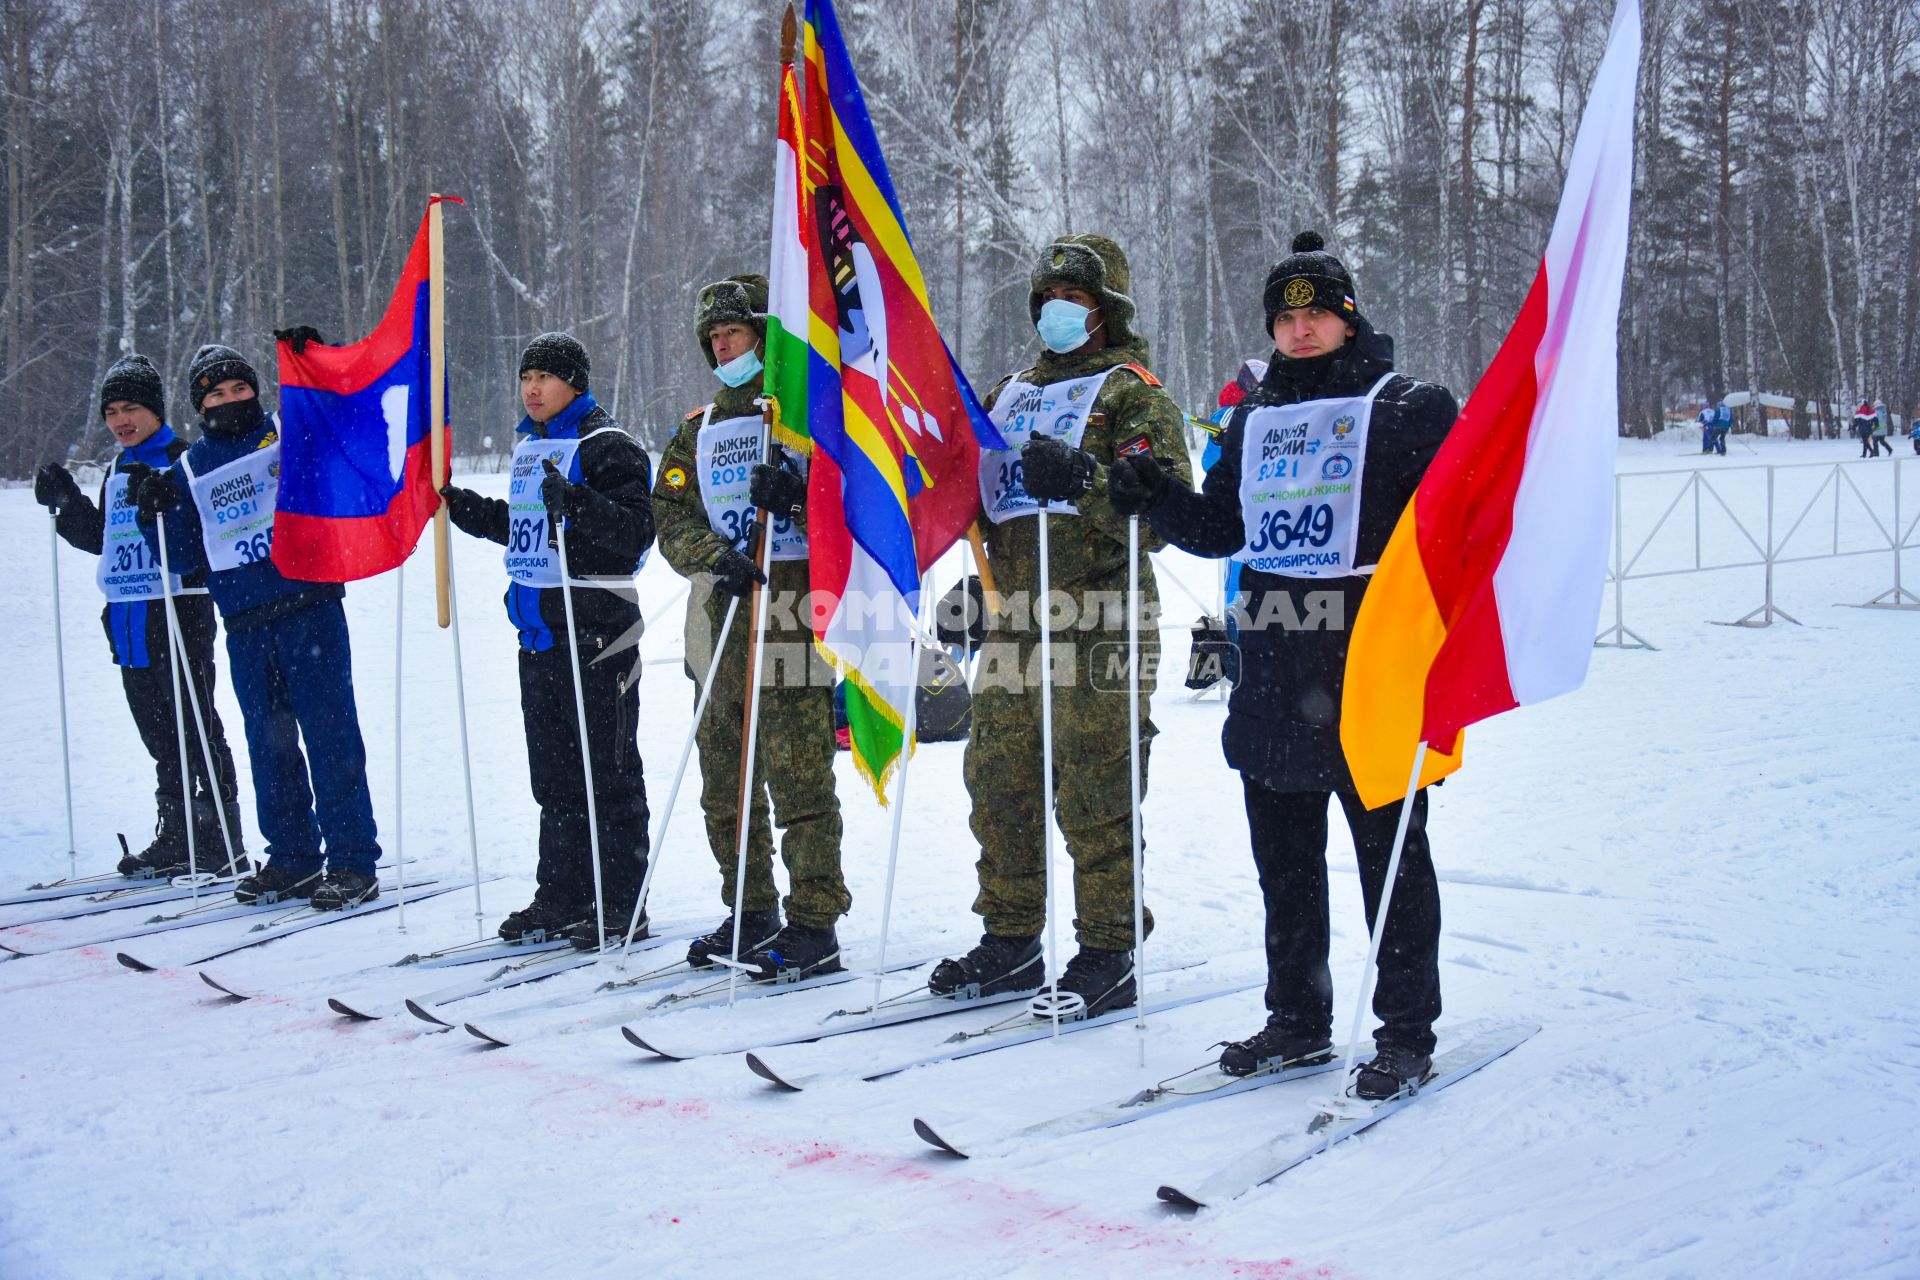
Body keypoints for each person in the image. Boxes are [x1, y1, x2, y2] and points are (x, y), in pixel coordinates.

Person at [1107, 230, 1458, 1100]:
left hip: (1366, 663)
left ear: (1347, 319)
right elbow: (1224, 530)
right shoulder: (1254, 417)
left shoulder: (1406, 405)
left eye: (1315, 315)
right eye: (1282, 317)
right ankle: (1298, 1019)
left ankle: (1406, 1031)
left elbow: (1460, 522)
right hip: (1270, 661)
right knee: (1286, 860)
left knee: (1392, 858)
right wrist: (1157, 500)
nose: (1298, 331)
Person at [926, 235, 1192, 1017]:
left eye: (1075, 299)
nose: (1057, 312)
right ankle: (1010, 939)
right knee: (998, 780)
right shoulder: (1007, 394)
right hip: (1015, 621)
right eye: (1047, 299)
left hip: (1100, 614)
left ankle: (1109, 948)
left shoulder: (1131, 395)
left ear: (1106, 309)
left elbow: (1168, 514)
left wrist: (1087, 479)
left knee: (1096, 785)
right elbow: (971, 493)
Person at [129, 342, 381, 910]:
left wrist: (314, 359)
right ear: (199, 405)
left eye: (238, 388)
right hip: (244, 624)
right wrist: (152, 516)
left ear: (255, 390)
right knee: (269, 747)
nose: (229, 400)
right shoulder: (190, 467)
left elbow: (338, 431)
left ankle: (351, 860)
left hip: (309, 609)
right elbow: (183, 554)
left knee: (330, 737)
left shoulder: (282, 433)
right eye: (215, 394)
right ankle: (291, 856)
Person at [652, 275, 849, 980]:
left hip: (793, 609)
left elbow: (854, 491)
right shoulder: (697, 428)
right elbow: (669, 511)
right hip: (724, 617)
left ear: (764, 334)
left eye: (732, 332)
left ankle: (814, 920)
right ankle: (751, 908)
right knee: (725, 779)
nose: (720, 346)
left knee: (797, 773)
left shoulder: (808, 412)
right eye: (711, 337)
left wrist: (798, 494)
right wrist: (714, 558)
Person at [440, 333, 656, 951]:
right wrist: (477, 513)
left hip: (597, 635)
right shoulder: (532, 446)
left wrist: (582, 502)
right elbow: (532, 528)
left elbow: (636, 535)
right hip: (537, 637)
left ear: (576, 383)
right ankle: (563, 894)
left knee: (608, 773)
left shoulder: (604, 444)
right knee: (555, 779)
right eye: (525, 376)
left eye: (546, 376)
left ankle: (622, 902)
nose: (532, 388)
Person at [33, 355, 245, 878]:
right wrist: (67, 505)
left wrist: (166, 511)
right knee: (159, 737)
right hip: (128, 622)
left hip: (178, 614)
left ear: (153, 409)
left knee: (195, 727)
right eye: (111, 411)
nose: (121, 420)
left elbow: (206, 538)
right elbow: (103, 539)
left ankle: (220, 837)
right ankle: (177, 834)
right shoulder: (116, 468)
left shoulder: (182, 458)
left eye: (131, 408)